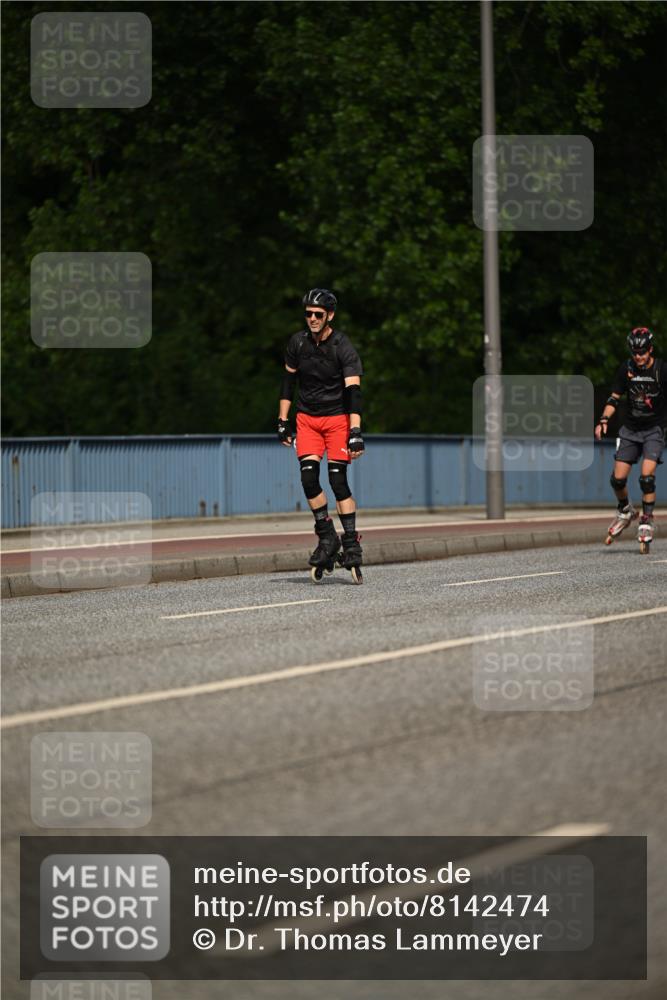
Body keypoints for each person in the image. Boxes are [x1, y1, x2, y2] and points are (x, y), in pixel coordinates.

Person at [277, 288, 365, 580]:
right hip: (307, 421)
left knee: (338, 481)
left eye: (318, 314)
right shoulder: (298, 343)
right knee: (308, 479)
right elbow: (288, 383)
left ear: (330, 316)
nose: (312, 318)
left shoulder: (343, 346)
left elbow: (353, 392)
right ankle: (327, 537)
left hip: (337, 420)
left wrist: (355, 431)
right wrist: (282, 420)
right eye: (308, 314)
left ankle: (350, 542)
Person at [595, 327, 666, 546]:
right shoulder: (626, 368)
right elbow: (614, 398)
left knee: (646, 477)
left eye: (642, 352)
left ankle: (646, 520)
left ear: (650, 349)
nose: (638, 357)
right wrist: (603, 420)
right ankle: (625, 510)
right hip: (630, 430)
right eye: (634, 352)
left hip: (654, 429)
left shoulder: (661, 369)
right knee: (617, 480)